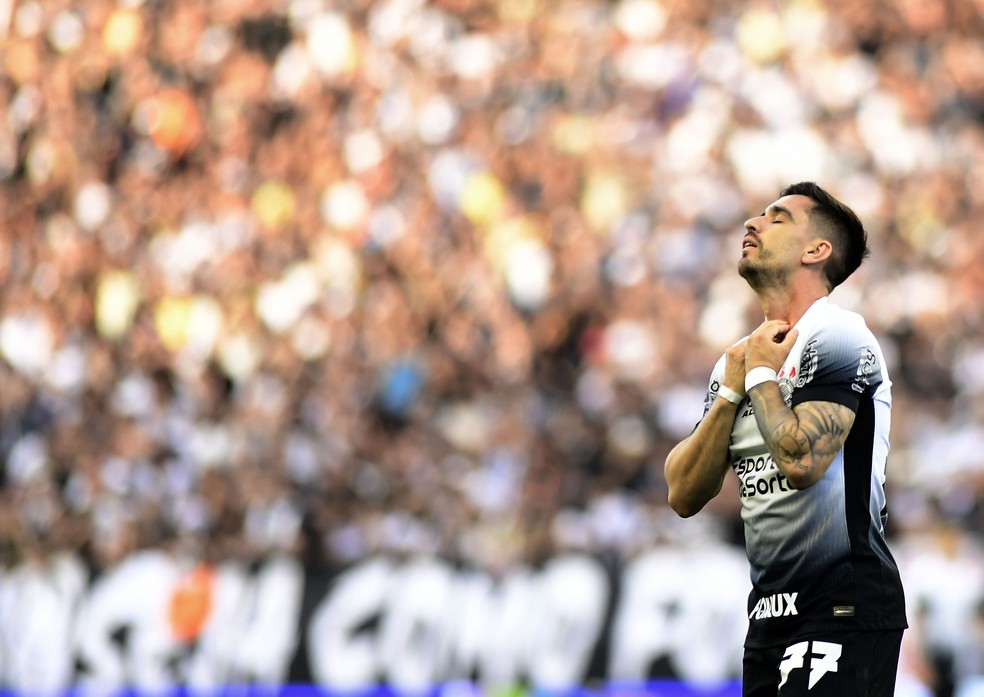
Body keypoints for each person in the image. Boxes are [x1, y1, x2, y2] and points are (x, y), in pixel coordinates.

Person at [664, 182, 907, 696]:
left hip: (844, 606)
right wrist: (732, 391)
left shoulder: (840, 336)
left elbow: (802, 462)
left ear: (816, 250)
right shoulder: (738, 360)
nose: (752, 223)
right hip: (768, 617)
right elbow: (683, 493)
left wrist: (759, 377)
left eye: (777, 218)